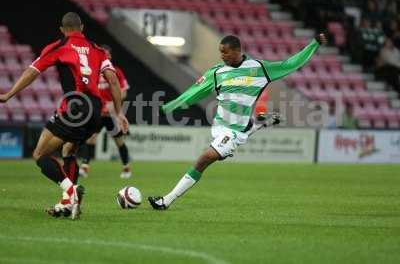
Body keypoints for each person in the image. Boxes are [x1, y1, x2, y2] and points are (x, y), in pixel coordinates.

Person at [148, 33, 327, 210]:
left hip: (232, 132)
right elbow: (193, 92)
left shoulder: (259, 68)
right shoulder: (217, 72)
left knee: (204, 159)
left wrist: (314, 44)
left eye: (225, 52)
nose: (221, 55)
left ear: (237, 51)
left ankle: (166, 200)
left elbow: (290, 64)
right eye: (220, 52)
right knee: (210, 156)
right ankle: (256, 124)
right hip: (218, 127)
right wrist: (169, 108)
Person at [0, 12, 129, 219]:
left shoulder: (60, 45)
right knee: (69, 150)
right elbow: (113, 81)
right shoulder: (97, 50)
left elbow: (32, 71)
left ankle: (71, 191)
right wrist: (120, 113)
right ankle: (67, 205)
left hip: (76, 107)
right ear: (82, 28)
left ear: (62, 29)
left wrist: (8, 94)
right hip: (96, 110)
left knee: (40, 154)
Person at [79, 44, 132, 179]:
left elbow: (124, 92)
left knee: (118, 141)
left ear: (110, 56)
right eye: (102, 54)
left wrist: (112, 104)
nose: (104, 56)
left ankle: (126, 167)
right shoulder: (93, 71)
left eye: (106, 54)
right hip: (97, 112)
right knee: (91, 138)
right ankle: (85, 167)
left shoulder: (116, 71)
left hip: (111, 114)